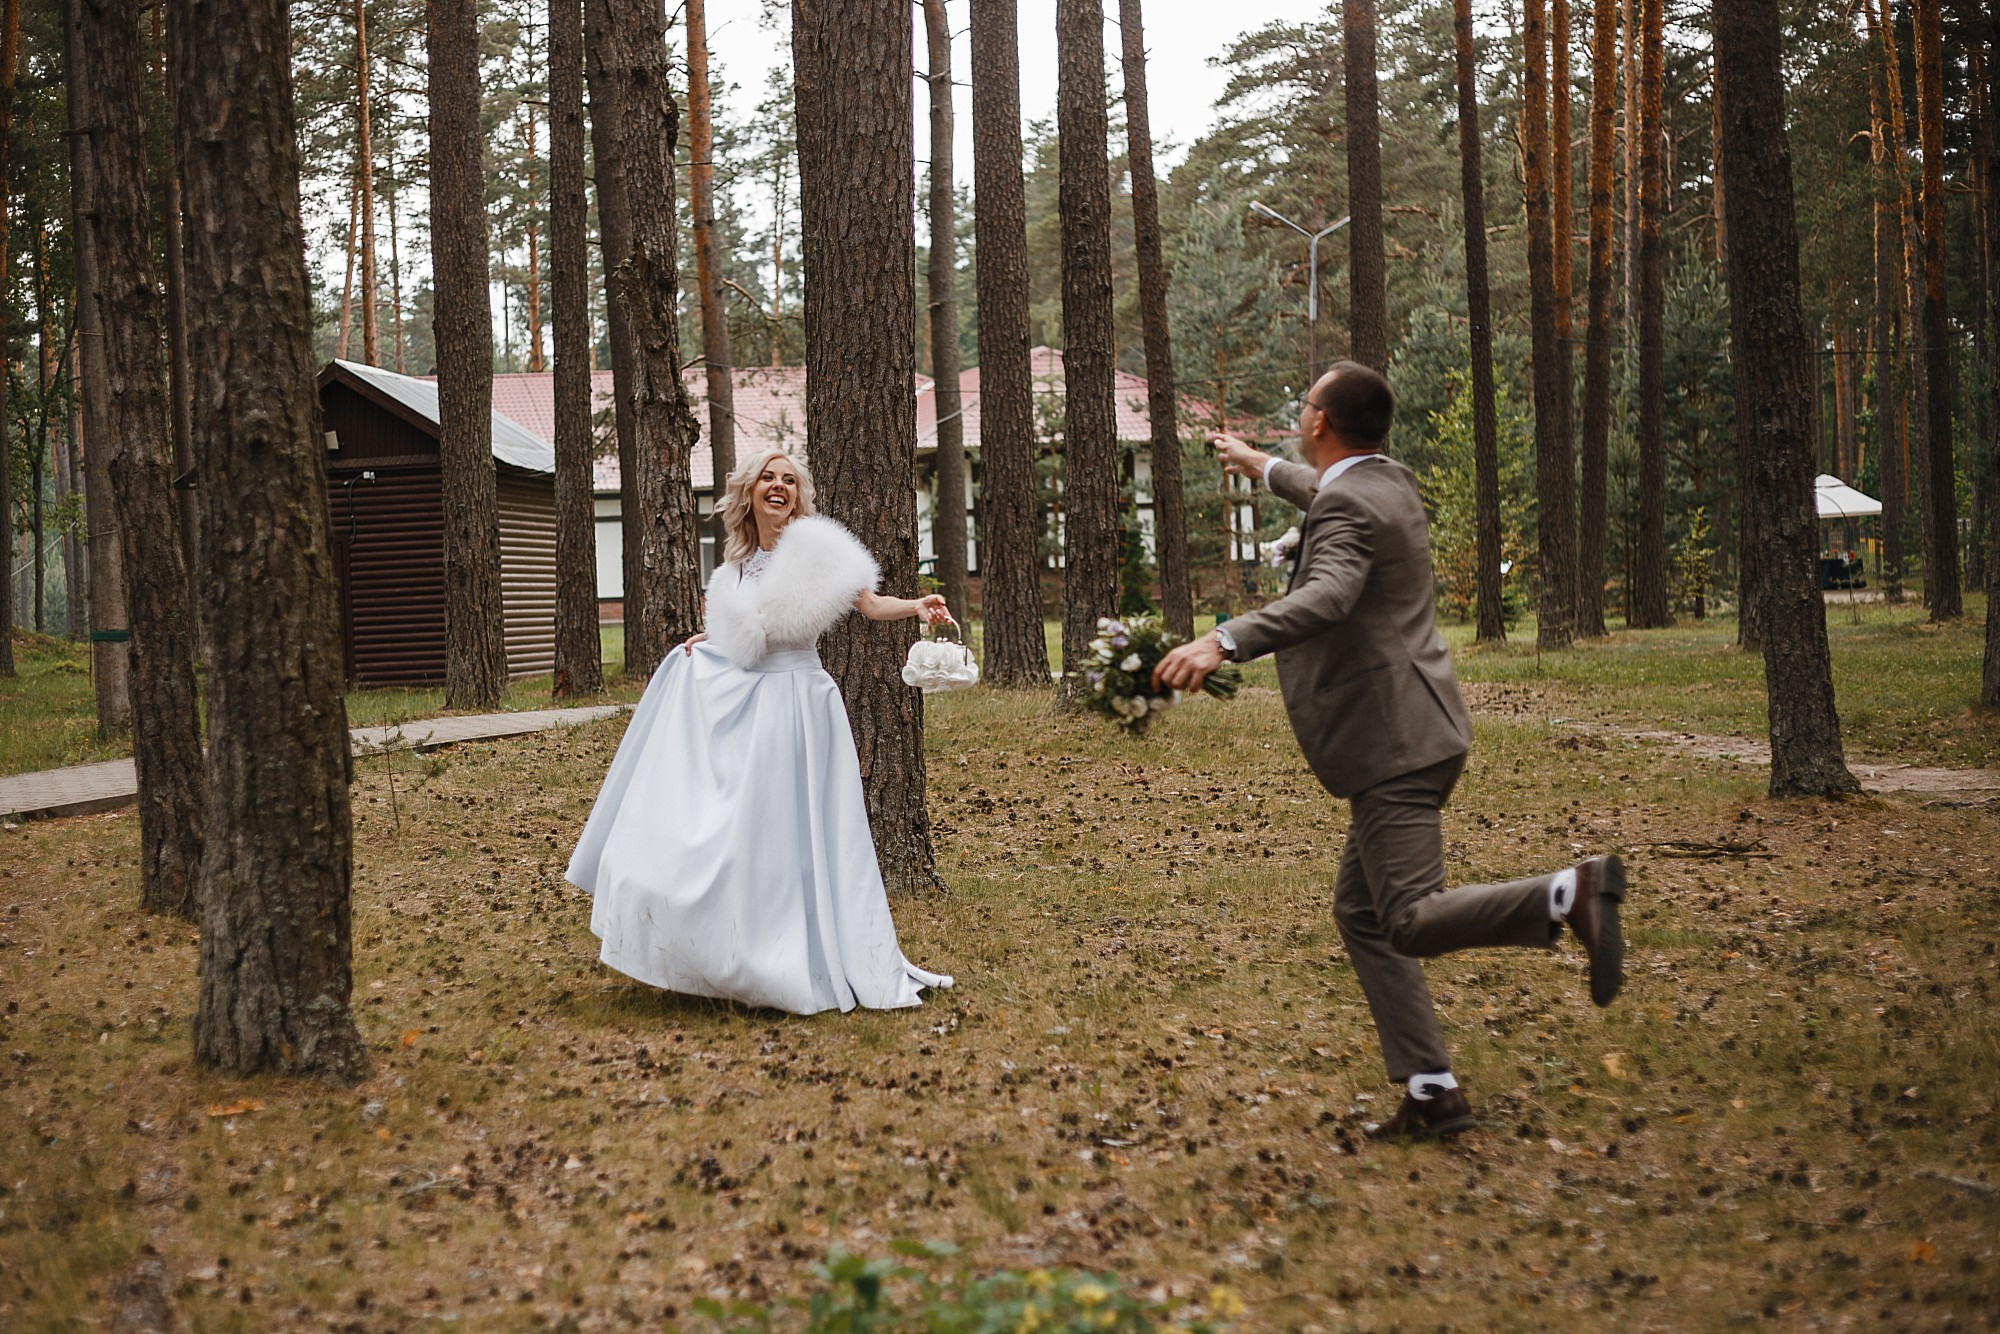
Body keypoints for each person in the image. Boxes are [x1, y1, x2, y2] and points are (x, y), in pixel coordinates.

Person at [1155, 362, 1628, 1141]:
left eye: (1303, 403)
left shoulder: (1349, 505)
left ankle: (1567, 895)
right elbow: (1331, 498)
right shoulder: (1389, 482)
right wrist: (1259, 465)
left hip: (1392, 739)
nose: (1299, 415)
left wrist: (1223, 638)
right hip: (1421, 724)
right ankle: (1432, 1089)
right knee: (1362, 912)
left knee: (1405, 917)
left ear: (1318, 423)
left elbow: (1330, 592)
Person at [566, 448, 954, 1014]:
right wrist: (706, 644)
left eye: (789, 481)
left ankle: (807, 956)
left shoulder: (820, 551)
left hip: (801, 706)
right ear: (748, 493)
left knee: (798, 829)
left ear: (799, 496)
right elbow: (739, 636)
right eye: (767, 479)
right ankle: (741, 952)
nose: (778, 487)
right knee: (743, 831)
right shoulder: (732, 570)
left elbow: (868, 604)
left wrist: (915, 605)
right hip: (746, 708)